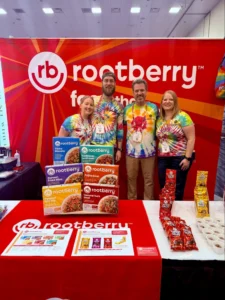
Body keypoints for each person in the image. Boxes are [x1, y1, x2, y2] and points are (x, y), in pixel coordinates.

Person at [156, 90, 195, 200]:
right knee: (163, 185)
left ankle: (176, 212)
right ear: (162, 102)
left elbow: (191, 138)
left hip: (179, 158)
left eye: (170, 99)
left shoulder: (183, 117)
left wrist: (187, 158)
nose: (167, 102)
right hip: (163, 157)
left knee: (177, 187)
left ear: (175, 102)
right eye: (165, 99)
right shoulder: (160, 119)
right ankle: (165, 211)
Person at [124, 78, 158, 200]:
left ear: (146, 91)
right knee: (131, 179)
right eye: (137, 91)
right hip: (131, 152)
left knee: (149, 180)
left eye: (142, 90)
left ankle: (148, 205)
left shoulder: (154, 108)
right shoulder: (126, 109)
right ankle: (132, 204)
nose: (139, 93)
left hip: (149, 152)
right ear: (133, 92)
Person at [91, 72, 124, 162]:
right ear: (102, 83)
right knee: (92, 176)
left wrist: (119, 150)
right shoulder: (93, 101)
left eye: (111, 81)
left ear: (115, 84)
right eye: (106, 81)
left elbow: (120, 130)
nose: (108, 83)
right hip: (91, 146)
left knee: (108, 175)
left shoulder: (119, 106)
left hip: (110, 148)